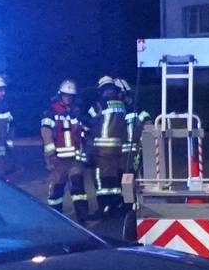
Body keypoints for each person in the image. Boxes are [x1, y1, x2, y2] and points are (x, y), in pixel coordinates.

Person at [86, 75, 148, 216]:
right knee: (121, 181)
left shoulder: (111, 107)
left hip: (122, 152)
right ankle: (121, 206)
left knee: (121, 181)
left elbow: (89, 126)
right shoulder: (124, 109)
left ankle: (123, 207)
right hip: (123, 153)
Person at [40, 80, 90, 215]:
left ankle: (83, 216)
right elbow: (46, 134)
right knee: (57, 189)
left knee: (78, 187)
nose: (68, 98)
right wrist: (51, 155)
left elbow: (81, 134)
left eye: (71, 96)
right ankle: (56, 216)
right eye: (66, 95)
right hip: (58, 160)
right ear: (60, 95)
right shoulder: (50, 112)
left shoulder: (76, 112)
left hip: (75, 159)